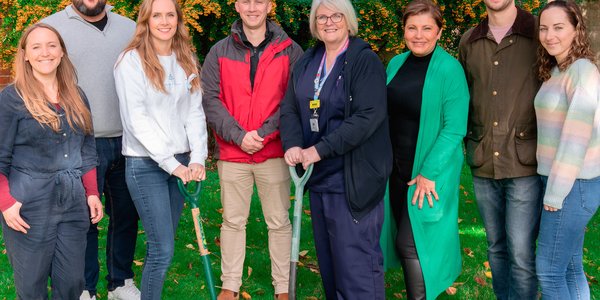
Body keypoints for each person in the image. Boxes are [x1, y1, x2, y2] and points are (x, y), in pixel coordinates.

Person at [280, 0, 392, 298]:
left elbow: (368, 116)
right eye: (322, 16)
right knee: (331, 270)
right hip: (318, 181)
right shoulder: (308, 60)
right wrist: (292, 144)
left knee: (356, 271)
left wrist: (319, 149)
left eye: (336, 15)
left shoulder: (363, 61)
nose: (329, 22)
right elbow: (290, 107)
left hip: (352, 181)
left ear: (349, 20)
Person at [201, 0, 302, 298]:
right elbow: (211, 100)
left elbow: (292, 99)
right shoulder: (219, 51)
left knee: (279, 221)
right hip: (233, 154)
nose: (252, 7)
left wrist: (263, 134)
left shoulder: (290, 50)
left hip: (273, 152)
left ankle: (283, 286)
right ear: (236, 6)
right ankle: (230, 284)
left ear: (270, 5)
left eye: (259, 1)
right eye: (246, 1)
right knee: (233, 221)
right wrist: (239, 135)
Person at [41, 1, 140, 299]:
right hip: (78, 141)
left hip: (129, 141)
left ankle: (120, 282)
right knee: (83, 218)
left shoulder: (131, 28)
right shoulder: (52, 28)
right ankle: (85, 287)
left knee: (126, 215)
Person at [0, 23, 103, 299]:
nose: (45, 52)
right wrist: (6, 204)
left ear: (61, 53)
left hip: (73, 204)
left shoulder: (77, 95)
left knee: (71, 284)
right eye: (36, 47)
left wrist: (92, 193)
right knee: (32, 287)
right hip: (28, 205)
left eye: (51, 45)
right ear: (25, 55)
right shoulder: (11, 99)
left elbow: (87, 148)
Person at [113, 0, 208, 298]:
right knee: (162, 248)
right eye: (157, 15)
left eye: (170, 15)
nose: (164, 21)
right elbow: (136, 119)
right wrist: (172, 164)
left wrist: (197, 158)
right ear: (146, 20)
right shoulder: (131, 61)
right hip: (146, 165)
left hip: (179, 163)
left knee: (164, 247)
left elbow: (194, 112)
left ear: (178, 20)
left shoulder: (186, 59)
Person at [380, 1, 469, 299]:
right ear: (403, 30)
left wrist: (429, 173)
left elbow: (454, 128)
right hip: (396, 169)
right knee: (402, 241)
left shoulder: (449, 70)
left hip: (429, 171)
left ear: (440, 32)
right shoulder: (395, 64)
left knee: (412, 242)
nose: (419, 35)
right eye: (412, 28)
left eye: (427, 28)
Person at [458, 0, 542, 298]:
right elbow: (463, 96)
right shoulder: (470, 40)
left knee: (520, 252)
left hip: (525, 161)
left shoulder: (538, 32)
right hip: (483, 159)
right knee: (496, 246)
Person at [534, 1, 600, 298]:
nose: (550, 35)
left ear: (576, 30)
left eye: (559, 27)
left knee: (548, 272)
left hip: (573, 185)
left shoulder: (582, 71)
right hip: (563, 182)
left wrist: (555, 193)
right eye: (544, 28)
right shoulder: (558, 70)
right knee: (571, 267)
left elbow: (576, 138)